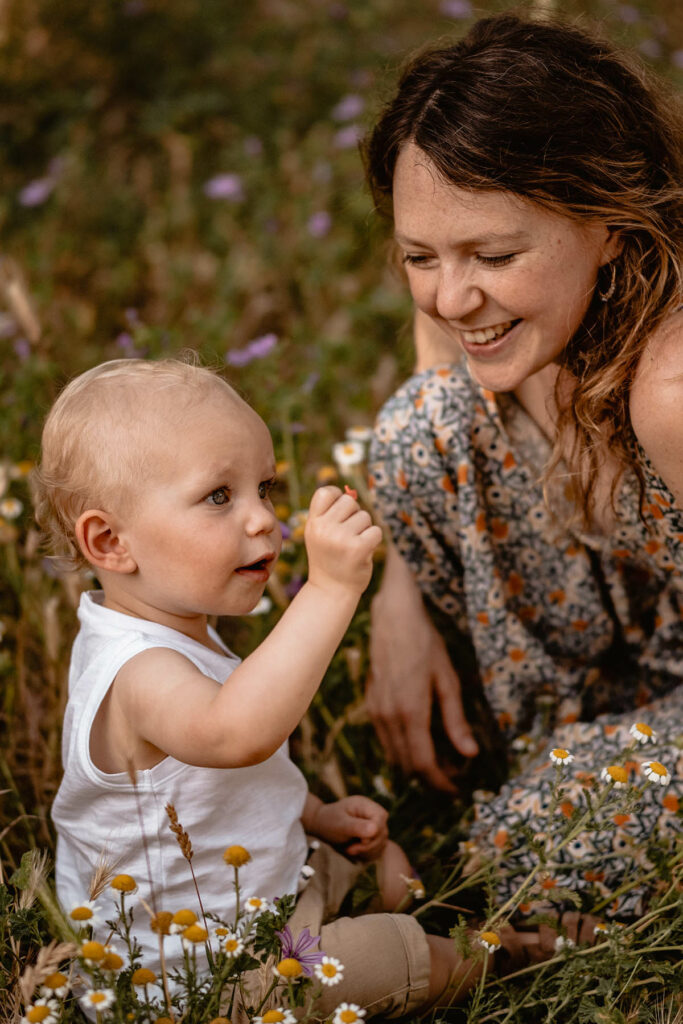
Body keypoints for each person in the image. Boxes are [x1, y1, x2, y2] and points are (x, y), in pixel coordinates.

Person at [36, 357, 494, 1020]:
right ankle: (509, 950)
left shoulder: (174, 628)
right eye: (219, 497)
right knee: (408, 957)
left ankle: (435, 920)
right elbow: (236, 735)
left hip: (265, 896)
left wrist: (315, 816)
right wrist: (331, 590)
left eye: (265, 488)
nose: (264, 521)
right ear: (110, 542)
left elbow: (221, 786)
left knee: (389, 867)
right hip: (201, 977)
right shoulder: (135, 673)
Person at [363, 13, 682, 916]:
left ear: (611, 226)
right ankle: (561, 752)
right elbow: (439, 331)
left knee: (516, 857)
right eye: (419, 255)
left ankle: (559, 784)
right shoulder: (502, 316)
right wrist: (399, 595)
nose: (452, 295)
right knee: (418, 430)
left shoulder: (668, 390)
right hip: (633, 643)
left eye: (494, 255)